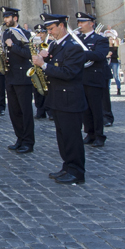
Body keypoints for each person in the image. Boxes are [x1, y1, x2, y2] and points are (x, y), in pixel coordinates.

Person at [32, 13, 87, 184]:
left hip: (70, 99)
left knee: (72, 138)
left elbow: (69, 73)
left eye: (51, 29)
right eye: (48, 30)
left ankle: (77, 172)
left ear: (62, 26)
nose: (49, 33)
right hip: (57, 98)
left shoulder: (73, 46)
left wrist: (44, 65)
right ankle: (67, 167)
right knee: (62, 137)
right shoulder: (56, 46)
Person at [1, 6, 34, 153]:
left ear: (15, 18)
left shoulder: (24, 33)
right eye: (4, 17)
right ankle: (19, 138)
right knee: (14, 111)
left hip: (23, 77)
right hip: (10, 76)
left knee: (25, 111)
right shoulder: (5, 34)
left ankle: (28, 141)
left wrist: (12, 46)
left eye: (7, 17)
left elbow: (28, 54)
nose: (5, 20)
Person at [75, 12, 109, 148]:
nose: (79, 25)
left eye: (82, 22)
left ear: (91, 23)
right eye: (79, 22)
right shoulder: (78, 39)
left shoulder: (100, 39)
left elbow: (100, 55)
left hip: (95, 78)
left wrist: (81, 54)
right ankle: (89, 133)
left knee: (96, 108)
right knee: (85, 109)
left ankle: (99, 135)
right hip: (81, 77)